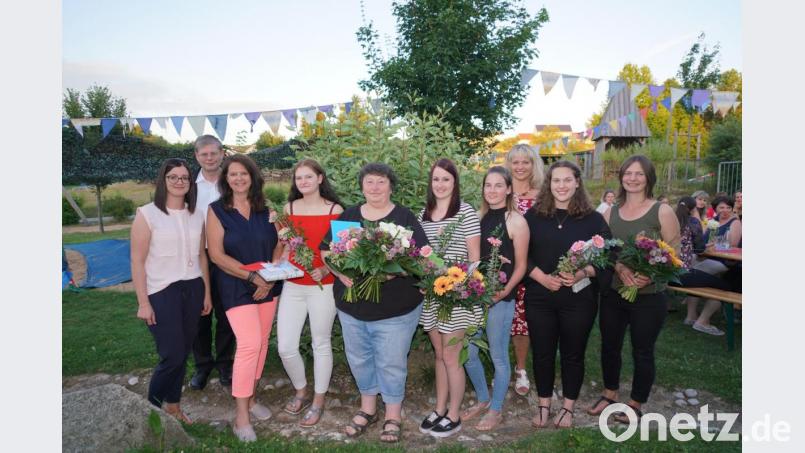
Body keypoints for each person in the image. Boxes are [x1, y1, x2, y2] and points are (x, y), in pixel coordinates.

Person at [320, 163, 428, 443]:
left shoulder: (404, 217)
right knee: (359, 358)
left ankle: (393, 414)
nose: (375, 188)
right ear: (362, 186)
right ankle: (367, 409)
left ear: (391, 186)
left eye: (381, 182)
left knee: (392, 362)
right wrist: (339, 271)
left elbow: (423, 258)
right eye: (370, 182)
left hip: (396, 309)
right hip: (352, 307)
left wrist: (393, 272)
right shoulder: (350, 216)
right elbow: (326, 251)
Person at [587, 155, 681, 423]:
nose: (633, 178)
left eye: (639, 174)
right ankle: (609, 393)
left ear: (648, 178)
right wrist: (620, 268)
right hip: (615, 292)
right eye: (628, 173)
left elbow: (674, 252)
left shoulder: (661, 211)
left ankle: (636, 402)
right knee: (610, 346)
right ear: (621, 177)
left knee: (642, 350)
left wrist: (650, 276)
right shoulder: (609, 211)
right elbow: (603, 251)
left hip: (650, 296)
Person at [522, 161, 614, 429]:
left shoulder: (594, 219)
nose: (561, 186)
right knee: (542, 352)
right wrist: (540, 276)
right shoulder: (533, 217)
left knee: (573, 353)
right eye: (556, 181)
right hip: (540, 296)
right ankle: (543, 404)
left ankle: (568, 408)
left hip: (579, 300)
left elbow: (608, 258)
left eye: (567, 180)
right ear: (548, 184)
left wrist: (584, 273)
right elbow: (520, 255)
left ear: (577, 183)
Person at [206, 154, 282, 442]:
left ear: (253, 177)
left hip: (268, 285)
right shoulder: (217, 210)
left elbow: (280, 244)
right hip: (236, 285)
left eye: (243, 174)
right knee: (249, 344)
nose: (238, 179)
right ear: (226, 179)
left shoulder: (267, 210)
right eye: (232, 174)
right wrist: (252, 278)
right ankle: (241, 417)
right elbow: (216, 254)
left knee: (262, 343)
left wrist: (270, 276)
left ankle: (251, 398)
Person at [131, 158, 212, 424]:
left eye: (184, 178)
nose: (179, 182)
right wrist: (143, 302)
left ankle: (173, 406)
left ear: (190, 183)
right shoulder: (147, 214)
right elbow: (137, 261)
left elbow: (202, 256)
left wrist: (207, 293)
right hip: (161, 291)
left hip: (193, 287)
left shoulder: (196, 214)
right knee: (172, 354)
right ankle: (150, 413)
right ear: (163, 181)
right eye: (173, 177)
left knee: (183, 350)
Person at [275, 159, 344, 427]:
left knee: (320, 343)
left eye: (308, 177)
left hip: (323, 287)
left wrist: (327, 271)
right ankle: (301, 389)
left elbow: (342, 250)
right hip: (292, 285)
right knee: (286, 347)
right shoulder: (288, 208)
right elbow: (284, 247)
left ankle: (318, 399)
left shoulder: (336, 210)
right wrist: (278, 263)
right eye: (298, 178)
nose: (302, 182)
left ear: (320, 178)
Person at [461, 166, 529, 431]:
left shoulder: (516, 221)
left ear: (509, 189)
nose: (492, 190)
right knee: (469, 353)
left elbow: (521, 265)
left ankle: (497, 409)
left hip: (501, 299)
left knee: (499, 356)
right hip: (476, 298)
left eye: (498, 185)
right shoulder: (478, 217)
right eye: (488, 185)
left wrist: (503, 291)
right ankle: (482, 399)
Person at [417, 159, 481, 438]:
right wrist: (423, 279)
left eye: (446, 179)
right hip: (433, 295)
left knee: (453, 357)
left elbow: (475, 259)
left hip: (457, 294)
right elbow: (421, 255)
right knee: (440, 355)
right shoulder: (424, 214)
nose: (440, 184)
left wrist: (457, 283)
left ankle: (454, 414)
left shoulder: (465, 212)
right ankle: (440, 407)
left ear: (454, 183)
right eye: (436, 180)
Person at [189, 135, 235, 390]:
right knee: (199, 315)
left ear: (221, 154)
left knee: (227, 313)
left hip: (227, 256)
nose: (209, 158)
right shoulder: (188, 186)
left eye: (213, 153)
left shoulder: (231, 182)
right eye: (204, 154)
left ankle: (226, 365)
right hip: (197, 256)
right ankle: (203, 366)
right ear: (197, 156)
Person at [504, 143, 545, 396]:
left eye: (525, 162)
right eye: (515, 162)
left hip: (535, 267)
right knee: (502, 320)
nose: (520, 167)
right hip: (504, 266)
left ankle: (521, 368)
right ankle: (500, 368)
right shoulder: (501, 192)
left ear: (533, 165)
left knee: (525, 323)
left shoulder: (543, 195)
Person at [670, 197, 732, 336]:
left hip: (666, 272)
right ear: (693, 209)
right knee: (725, 286)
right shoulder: (692, 221)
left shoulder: (670, 221)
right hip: (681, 273)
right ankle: (702, 322)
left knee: (701, 275)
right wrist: (707, 245)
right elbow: (699, 250)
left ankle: (691, 317)